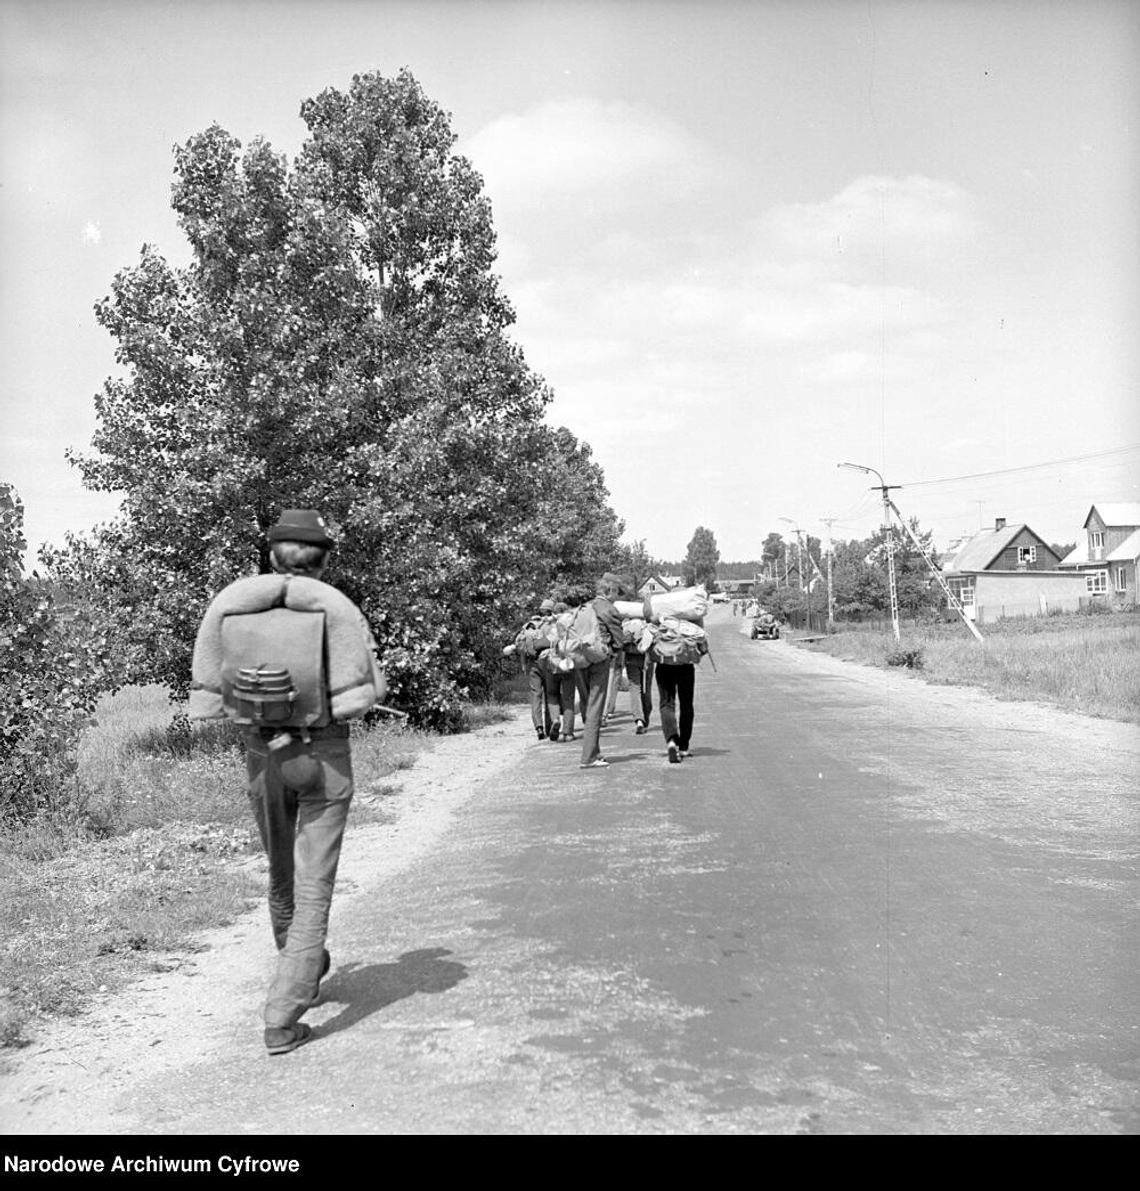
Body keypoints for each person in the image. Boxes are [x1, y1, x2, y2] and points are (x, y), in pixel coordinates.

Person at [189, 509, 387, 1055]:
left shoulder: (231, 601)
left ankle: (301, 966)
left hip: (263, 754)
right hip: (323, 755)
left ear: (273, 555)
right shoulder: (336, 606)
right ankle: (283, 1013)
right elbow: (364, 694)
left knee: (281, 874)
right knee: (314, 885)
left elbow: (209, 688)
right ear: (322, 560)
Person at [578, 572, 625, 769]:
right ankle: (589, 757)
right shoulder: (609, 609)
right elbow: (619, 640)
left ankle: (594, 751)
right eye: (616, 592)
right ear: (610, 590)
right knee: (596, 707)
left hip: (580, 657)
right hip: (599, 659)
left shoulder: (586, 606)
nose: (617, 596)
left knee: (587, 704)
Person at [653, 622, 707, 765]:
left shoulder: (659, 618)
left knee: (666, 704)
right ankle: (683, 746)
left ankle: (671, 741)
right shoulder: (692, 619)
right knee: (686, 705)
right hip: (685, 667)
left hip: (663, 665)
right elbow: (703, 648)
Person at [539, 601, 578, 742]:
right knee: (568, 698)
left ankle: (555, 719)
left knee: (552, 695)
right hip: (569, 665)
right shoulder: (573, 625)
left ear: (554, 613)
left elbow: (540, 643)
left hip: (553, 665)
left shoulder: (549, 626)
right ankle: (568, 732)